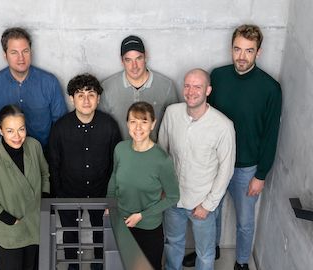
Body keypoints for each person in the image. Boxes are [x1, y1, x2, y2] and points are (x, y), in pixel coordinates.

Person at [183, 24, 282, 270]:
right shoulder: (217, 76)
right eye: (237, 49)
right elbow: (205, 117)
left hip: (247, 167)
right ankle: (209, 250)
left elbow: (271, 135)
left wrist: (261, 174)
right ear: (231, 49)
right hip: (215, 163)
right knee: (209, 212)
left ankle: (241, 262)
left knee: (245, 221)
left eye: (249, 51)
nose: (241, 56)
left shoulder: (271, 88)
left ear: (258, 52)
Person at [158, 69, 236, 270]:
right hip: (173, 199)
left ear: (208, 90)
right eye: (187, 85)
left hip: (202, 202)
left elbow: (226, 171)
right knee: (173, 243)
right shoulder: (172, 113)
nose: (191, 91)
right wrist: (163, 188)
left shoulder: (223, 126)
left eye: (197, 86)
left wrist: (208, 205)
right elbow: (161, 153)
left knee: (205, 253)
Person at [48, 73, 122, 270]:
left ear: (98, 98)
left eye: (91, 94)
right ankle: (73, 266)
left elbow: (117, 163)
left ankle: (99, 265)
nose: (86, 100)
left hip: (102, 192)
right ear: (72, 99)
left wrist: (112, 196)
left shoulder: (110, 125)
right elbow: (53, 164)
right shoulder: (60, 128)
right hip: (68, 193)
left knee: (101, 232)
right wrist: (59, 196)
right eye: (80, 95)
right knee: (70, 233)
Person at [106, 101, 179, 270]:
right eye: (133, 121)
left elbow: (174, 197)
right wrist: (110, 205)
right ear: (127, 124)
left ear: (153, 124)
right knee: (121, 265)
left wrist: (142, 216)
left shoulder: (162, 160)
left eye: (144, 122)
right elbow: (114, 177)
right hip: (122, 222)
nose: (138, 127)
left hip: (148, 227)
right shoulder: (120, 149)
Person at [0, 105, 50, 270]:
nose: (17, 136)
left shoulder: (34, 146)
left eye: (21, 129)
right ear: (0, 130)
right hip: (9, 233)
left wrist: (44, 201)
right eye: (10, 131)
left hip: (35, 226)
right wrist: (11, 220)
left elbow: (45, 174)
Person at [0, 27, 67, 152]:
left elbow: (61, 124)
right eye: (14, 52)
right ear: (5, 55)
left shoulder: (49, 82)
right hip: (8, 159)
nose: (21, 58)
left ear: (31, 52)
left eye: (25, 51)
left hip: (44, 155)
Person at [100, 35, 179, 141]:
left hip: (155, 154)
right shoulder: (107, 87)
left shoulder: (166, 86)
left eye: (138, 58)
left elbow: (174, 127)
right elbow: (101, 128)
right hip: (119, 154)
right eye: (128, 60)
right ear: (122, 61)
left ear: (145, 57)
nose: (134, 66)